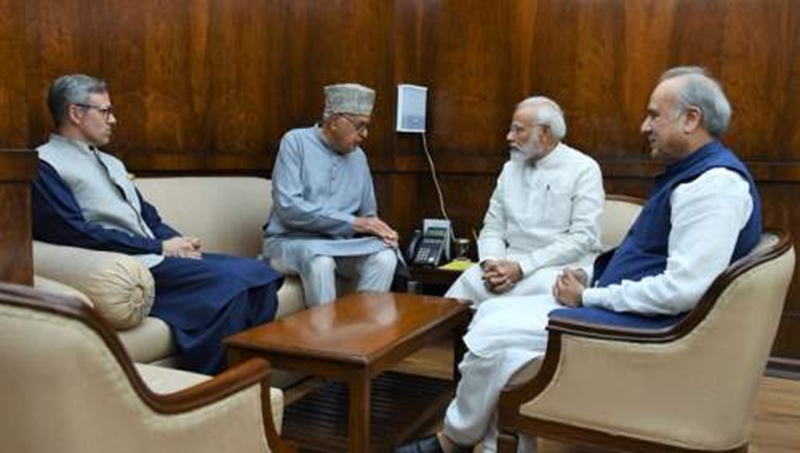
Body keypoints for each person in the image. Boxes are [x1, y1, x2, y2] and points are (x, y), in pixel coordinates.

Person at [396, 66, 762, 453]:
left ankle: (452, 440)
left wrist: (587, 297)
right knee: (495, 329)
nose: (644, 126)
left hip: (643, 330)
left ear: (691, 119)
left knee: (490, 336)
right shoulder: (695, 177)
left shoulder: (714, 186)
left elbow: (683, 290)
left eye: (654, 115)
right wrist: (589, 282)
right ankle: (486, 446)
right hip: (619, 306)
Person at [31, 74, 283, 375]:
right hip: (130, 264)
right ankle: (213, 383)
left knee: (261, 277)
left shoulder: (111, 162)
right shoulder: (43, 163)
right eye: (106, 111)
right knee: (237, 284)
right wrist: (160, 246)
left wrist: (179, 242)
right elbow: (73, 232)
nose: (114, 120)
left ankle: (244, 379)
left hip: (155, 256)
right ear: (75, 113)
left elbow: (148, 217)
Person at [444, 96, 604, 305]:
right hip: (505, 265)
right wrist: (491, 264)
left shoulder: (584, 168)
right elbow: (493, 227)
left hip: (557, 268)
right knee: (462, 290)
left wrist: (521, 268)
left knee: (522, 303)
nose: (509, 137)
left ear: (544, 133)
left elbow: (582, 238)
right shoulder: (510, 169)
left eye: (518, 130)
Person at [263, 83, 398, 307]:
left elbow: (368, 214)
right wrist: (355, 223)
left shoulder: (359, 157)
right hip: (289, 242)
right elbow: (289, 207)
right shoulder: (295, 142)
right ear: (335, 121)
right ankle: (324, 330)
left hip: (339, 246)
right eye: (360, 126)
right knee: (321, 261)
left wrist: (382, 232)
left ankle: (365, 326)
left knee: (385, 257)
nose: (365, 134)